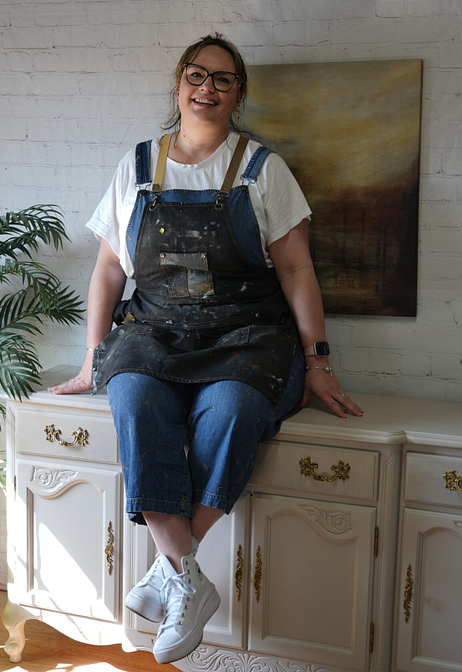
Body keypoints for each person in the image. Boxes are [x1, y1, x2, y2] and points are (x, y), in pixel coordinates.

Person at [48, 34, 362, 664]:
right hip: (154, 333)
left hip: (247, 335)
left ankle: (170, 573)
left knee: (234, 413)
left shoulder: (262, 169)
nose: (208, 89)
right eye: (198, 75)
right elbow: (109, 270)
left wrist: (320, 363)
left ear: (238, 94)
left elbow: (297, 271)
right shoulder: (136, 166)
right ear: (178, 84)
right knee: (132, 400)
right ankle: (189, 576)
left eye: (224, 80)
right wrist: (92, 359)